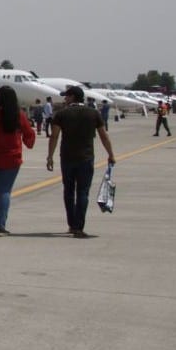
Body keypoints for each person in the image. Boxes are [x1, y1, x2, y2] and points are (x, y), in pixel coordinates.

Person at [46, 85, 115, 238]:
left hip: (67, 158)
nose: (65, 99)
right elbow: (104, 136)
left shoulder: (61, 114)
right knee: (83, 192)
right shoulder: (93, 113)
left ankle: (72, 224)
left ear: (73, 97)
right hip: (86, 158)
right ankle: (79, 226)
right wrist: (110, 154)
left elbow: (55, 136)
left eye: (67, 96)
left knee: (68, 192)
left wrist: (50, 156)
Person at [0, 85, 35, 235]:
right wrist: (28, 142)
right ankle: (0, 224)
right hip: (12, 158)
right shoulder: (19, 114)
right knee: (4, 191)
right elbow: (29, 135)